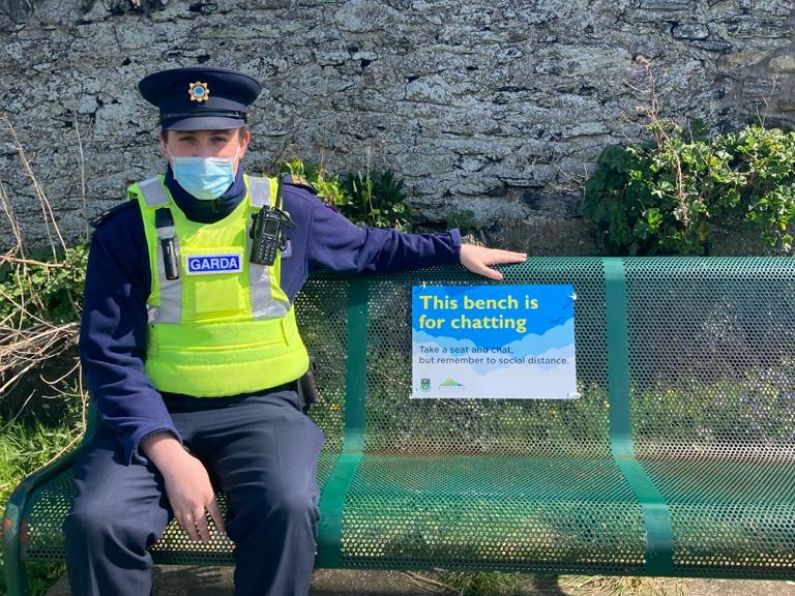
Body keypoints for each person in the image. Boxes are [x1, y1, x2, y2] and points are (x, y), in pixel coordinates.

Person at [63, 66, 526, 596]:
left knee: (285, 506)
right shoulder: (128, 229)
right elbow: (108, 356)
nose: (205, 154)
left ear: (244, 142)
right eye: (188, 140)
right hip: (157, 416)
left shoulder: (288, 210)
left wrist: (452, 248)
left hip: (266, 411)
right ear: (164, 144)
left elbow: (367, 247)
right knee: (98, 522)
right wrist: (169, 455)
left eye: (219, 139)